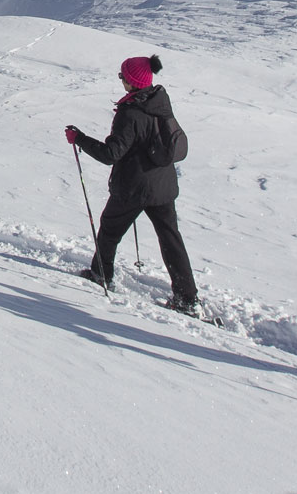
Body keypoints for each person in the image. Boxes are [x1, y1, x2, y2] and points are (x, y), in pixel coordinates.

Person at [66, 55, 198, 314]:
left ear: (132, 82)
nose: (120, 79)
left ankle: (100, 274)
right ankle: (187, 298)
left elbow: (110, 154)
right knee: (171, 240)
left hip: (134, 187)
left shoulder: (131, 114)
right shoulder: (159, 101)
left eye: (122, 76)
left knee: (109, 230)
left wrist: (79, 138)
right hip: (163, 186)